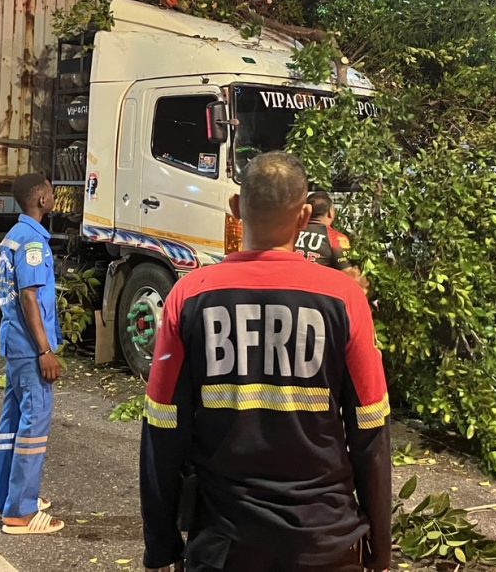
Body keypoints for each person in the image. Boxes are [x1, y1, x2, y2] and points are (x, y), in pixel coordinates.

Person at [141, 152, 391, 572]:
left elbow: (163, 431)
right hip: (325, 542)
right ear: (305, 215)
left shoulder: (189, 296)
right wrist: (379, 551)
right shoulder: (345, 299)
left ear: (236, 209)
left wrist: (161, 548)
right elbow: (370, 433)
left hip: (225, 545)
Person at [0, 172, 64, 535]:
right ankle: (20, 512)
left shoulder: (14, 236)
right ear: (41, 200)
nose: (54, 198)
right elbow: (29, 296)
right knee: (33, 427)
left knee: (13, 425)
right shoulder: (33, 242)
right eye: (52, 193)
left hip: (14, 345)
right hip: (29, 347)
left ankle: (8, 497)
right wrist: (45, 351)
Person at [294, 191, 368, 294]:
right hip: (317, 294)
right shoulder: (336, 238)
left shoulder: (289, 233)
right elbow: (348, 275)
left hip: (287, 288)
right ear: (330, 213)